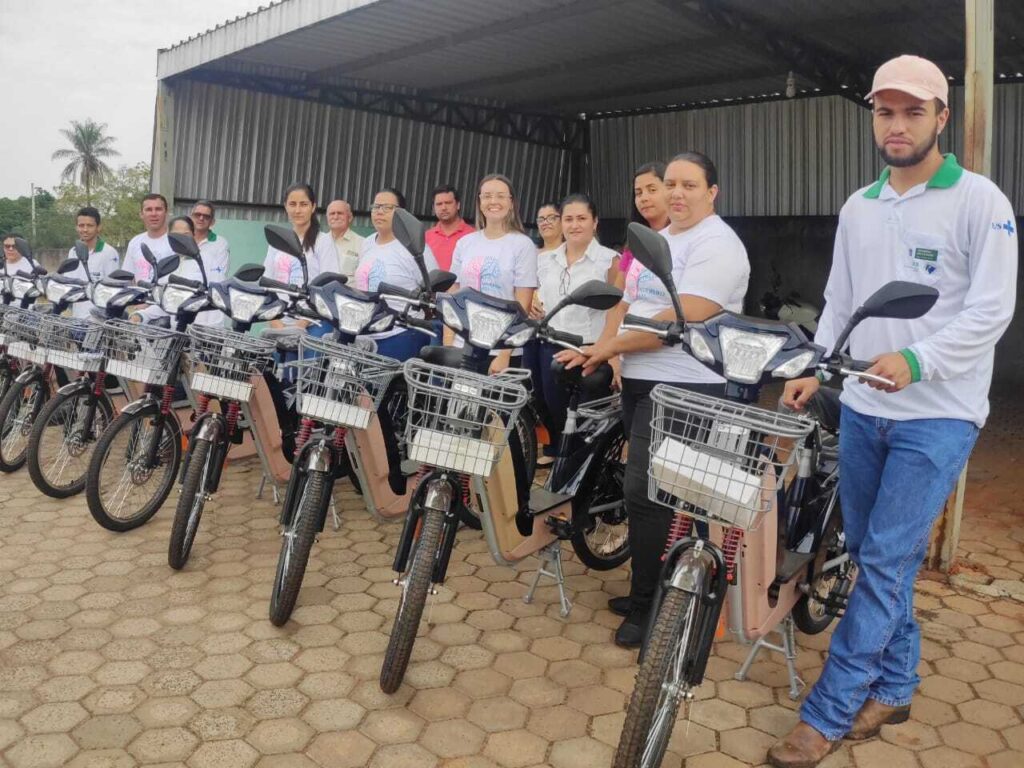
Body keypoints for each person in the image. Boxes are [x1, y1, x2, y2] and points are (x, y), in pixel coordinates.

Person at [768, 55, 1018, 768]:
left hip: (939, 414)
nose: (898, 124)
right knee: (881, 556)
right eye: (886, 111)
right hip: (863, 407)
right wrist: (816, 369)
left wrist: (917, 361)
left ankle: (829, 709)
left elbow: (992, 311)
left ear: (943, 117)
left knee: (880, 558)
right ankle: (898, 683)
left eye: (914, 111)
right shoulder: (860, 205)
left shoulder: (980, 202)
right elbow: (841, 302)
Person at [560, 152, 750, 648]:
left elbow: (679, 319)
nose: (677, 194)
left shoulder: (719, 244)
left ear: (713, 191)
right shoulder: (657, 240)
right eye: (671, 184)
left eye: (690, 185)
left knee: (648, 494)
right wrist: (605, 350)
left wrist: (609, 347)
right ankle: (654, 588)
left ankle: (652, 608)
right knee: (654, 493)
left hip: (686, 384)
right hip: (642, 378)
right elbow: (626, 302)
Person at [533, 193, 619, 451]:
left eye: (582, 218)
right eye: (568, 219)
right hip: (551, 347)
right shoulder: (546, 259)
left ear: (595, 222)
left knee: (588, 424)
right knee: (556, 415)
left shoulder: (609, 260)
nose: (574, 224)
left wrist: (614, 356)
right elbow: (537, 296)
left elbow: (619, 309)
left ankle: (585, 481)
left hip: (590, 351)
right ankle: (562, 476)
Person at [448, 174, 538, 373]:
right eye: (487, 196)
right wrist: (448, 344)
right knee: (458, 403)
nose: (493, 201)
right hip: (463, 344)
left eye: (500, 196)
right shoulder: (465, 243)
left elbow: (522, 305)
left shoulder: (523, 245)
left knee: (491, 404)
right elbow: (452, 295)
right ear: (479, 202)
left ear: (511, 203)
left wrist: (505, 353)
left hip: (499, 349)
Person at [354, 187, 439, 360]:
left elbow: (434, 290)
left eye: (387, 208)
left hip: (400, 334)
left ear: (402, 214)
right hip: (363, 333)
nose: (379, 212)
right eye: (376, 207)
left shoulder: (415, 246)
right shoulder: (368, 243)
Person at [263, 182, 335, 332]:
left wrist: (302, 323)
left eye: (303, 204)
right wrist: (275, 320)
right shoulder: (277, 240)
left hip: (312, 322)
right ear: (285, 206)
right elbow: (266, 282)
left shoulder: (323, 240)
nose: (297, 210)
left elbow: (329, 285)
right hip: (278, 319)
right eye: (292, 204)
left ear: (313, 207)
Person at [614, 161, 670, 290]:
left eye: (652, 190)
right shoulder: (632, 247)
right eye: (638, 193)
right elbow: (617, 294)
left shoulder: (683, 238)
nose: (643, 198)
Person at [65, 207, 120, 319]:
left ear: (98, 227)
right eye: (81, 225)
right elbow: (69, 284)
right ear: (76, 227)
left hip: (99, 322)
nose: (85, 230)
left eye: (89, 225)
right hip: (77, 318)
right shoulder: (73, 251)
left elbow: (114, 289)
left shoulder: (109, 253)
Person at [123, 193, 173, 281]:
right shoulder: (135, 242)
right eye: (149, 210)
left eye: (158, 209)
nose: (154, 214)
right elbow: (127, 277)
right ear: (141, 214)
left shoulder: (175, 241)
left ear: (166, 212)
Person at [425, 184, 474, 272]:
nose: (444, 208)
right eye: (439, 204)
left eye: (448, 203)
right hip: (431, 285)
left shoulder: (472, 236)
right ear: (433, 208)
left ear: (458, 205)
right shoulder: (426, 237)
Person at [326, 199, 363, 279]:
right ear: (327, 218)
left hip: (348, 291)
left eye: (340, 213)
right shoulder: (318, 242)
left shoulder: (362, 244)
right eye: (332, 214)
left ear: (349, 218)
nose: (335, 217)